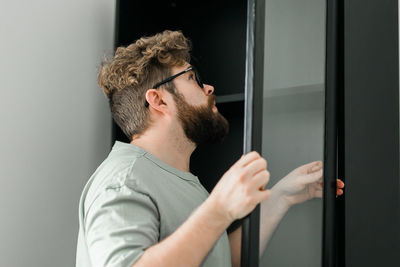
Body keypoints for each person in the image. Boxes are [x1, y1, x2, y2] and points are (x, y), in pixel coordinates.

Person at [76, 30, 344, 267]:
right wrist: (218, 209)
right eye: (192, 78)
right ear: (158, 100)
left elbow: (218, 259)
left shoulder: (172, 178)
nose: (209, 87)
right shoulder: (124, 181)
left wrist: (281, 196)